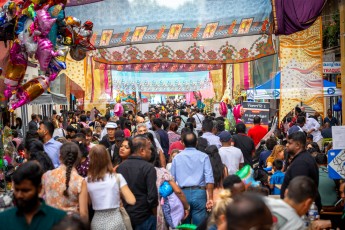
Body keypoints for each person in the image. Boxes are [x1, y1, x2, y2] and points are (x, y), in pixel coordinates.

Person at [0, 162, 66, 229]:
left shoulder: (59, 219)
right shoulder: (4, 219)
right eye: (16, 190)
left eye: (25, 191)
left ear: (39, 188)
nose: (19, 195)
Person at [86, 144, 135, 230]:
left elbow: (88, 202)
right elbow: (131, 200)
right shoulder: (117, 177)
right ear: (107, 158)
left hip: (97, 222)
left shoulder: (87, 181)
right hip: (116, 220)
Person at [171, 131, 214, 225]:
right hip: (199, 194)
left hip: (182, 194)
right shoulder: (204, 157)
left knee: (184, 225)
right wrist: (210, 198)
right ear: (196, 142)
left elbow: (172, 180)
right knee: (199, 225)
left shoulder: (177, 158)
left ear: (182, 142)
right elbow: (209, 178)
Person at [117, 135, 158, 229]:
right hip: (144, 217)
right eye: (149, 149)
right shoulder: (148, 168)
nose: (151, 151)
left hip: (127, 215)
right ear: (142, 151)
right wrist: (154, 214)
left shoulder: (121, 167)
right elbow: (152, 196)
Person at [42, 142, 88, 220]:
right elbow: (84, 213)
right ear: (78, 159)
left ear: (60, 157)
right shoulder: (80, 181)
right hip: (71, 225)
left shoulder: (46, 176)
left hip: (50, 223)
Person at [149, 146, 189, 230]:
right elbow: (178, 191)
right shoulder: (162, 172)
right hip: (161, 209)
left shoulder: (137, 171)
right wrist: (186, 206)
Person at [280, 132, 321, 209]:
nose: (287, 145)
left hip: (300, 210)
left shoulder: (301, 162)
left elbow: (299, 189)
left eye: (289, 143)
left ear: (298, 145)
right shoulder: (302, 158)